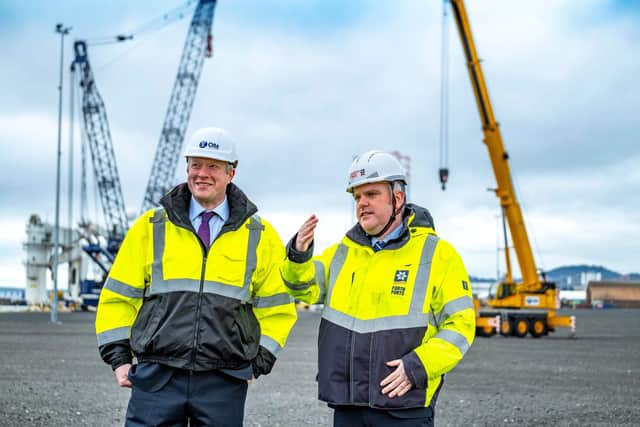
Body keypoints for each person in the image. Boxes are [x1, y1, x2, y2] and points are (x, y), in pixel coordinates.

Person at [95, 127, 297, 426]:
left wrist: (259, 363)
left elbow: (278, 309)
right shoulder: (150, 226)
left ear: (231, 173)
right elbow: (118, 297)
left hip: (223, 379)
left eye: (212, 166)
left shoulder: (260, 236)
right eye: (195, 165)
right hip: (157, 375)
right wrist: (120, 358)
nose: (201, 174)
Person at [281, 150, 475, 427]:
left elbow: (461, 326)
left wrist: (418, 366)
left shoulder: (438, 254)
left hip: (405, 406)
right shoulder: (341, 253)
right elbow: (303, 289)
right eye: (357, 197)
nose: (362, 203)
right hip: (348, 405)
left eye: (371, 195)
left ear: (397, 198)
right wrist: (299, 255)